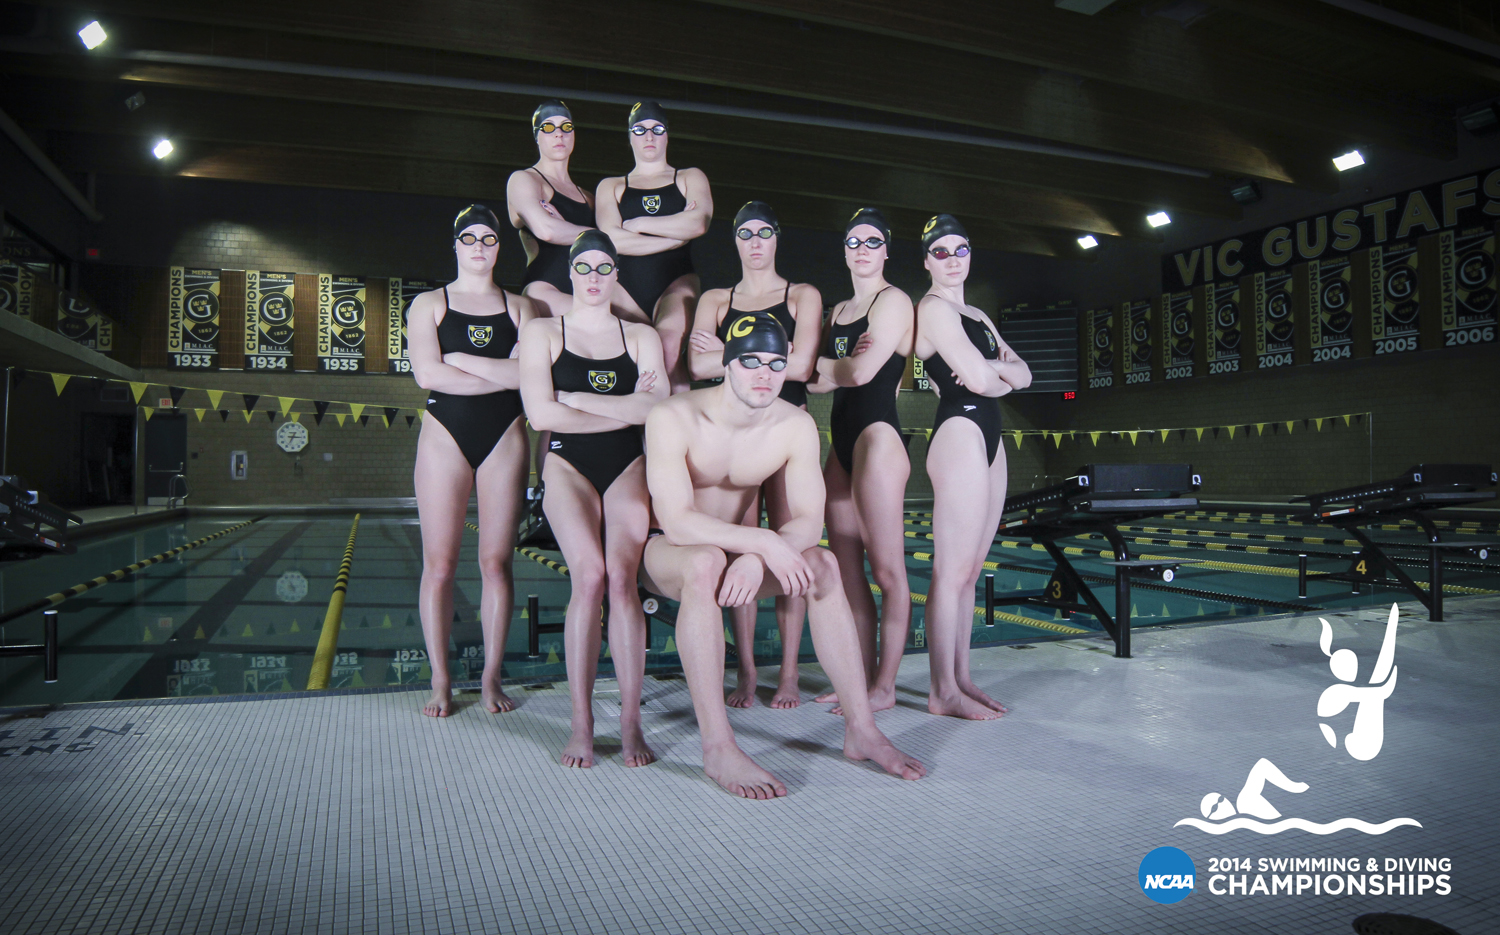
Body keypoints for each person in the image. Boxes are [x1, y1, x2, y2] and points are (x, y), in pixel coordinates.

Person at [641, 315, 926, 798]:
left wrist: (761, 550)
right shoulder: (674, 416)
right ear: (727, 364)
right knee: (705, 560)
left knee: (824, 566)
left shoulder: (794, 425)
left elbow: (808, 522)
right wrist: (762, 542)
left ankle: (861, 728)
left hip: (739, 551)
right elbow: (677, 521)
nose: (763, 374)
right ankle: (718, 747)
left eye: (776, 364)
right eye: (750, 360)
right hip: (669, 554)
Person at [518, 230, 668, 768]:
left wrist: (576, 396)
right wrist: (623, 402)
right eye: (585, 267)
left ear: (616, 274)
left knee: (624, 580)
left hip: (627, 463)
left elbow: (658, 408)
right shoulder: (543, 331)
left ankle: (630, 724)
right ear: (571, 273)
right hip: (567, 464)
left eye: (606, 267)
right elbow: (541, 416)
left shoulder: (639, 336)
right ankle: (582, 726)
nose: (595, 277)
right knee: (590, 577)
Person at [687, 201, 822, 710]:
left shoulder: (801, 294)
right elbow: (694, 367)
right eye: (746, 233)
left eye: (765, 231)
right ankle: (745, 672)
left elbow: (805, 364)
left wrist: (730, 354)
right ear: (736, 241)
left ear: (777, 237)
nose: (756, 241)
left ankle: (787, 674)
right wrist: (767, 361)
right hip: (736, 434)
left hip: (786, 433)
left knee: (791, 552)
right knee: (740, 552)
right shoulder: (717, 298)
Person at [408, 204, 538, 718]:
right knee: (439, 565)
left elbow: (530, 378)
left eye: (489, 238)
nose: (480, 247)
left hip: (504, 434)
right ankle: (441, 680)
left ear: (499, 247)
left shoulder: (522, 307)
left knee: (495, 563)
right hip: (446, 435)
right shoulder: (429, 304)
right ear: (456, 245)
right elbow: (426, 377)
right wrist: (500, 372)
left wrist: (459, 361)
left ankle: (489, 679)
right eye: (471, 238)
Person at [914, 214, 1031, 720]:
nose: (952, 259)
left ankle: (961, 678)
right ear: (926, 262)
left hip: (990, 434)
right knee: (951, 570)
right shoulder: (933, 309)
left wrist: (995, 374)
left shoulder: (979, 315)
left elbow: (1021, 374)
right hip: (958, 431)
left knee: (971, 571)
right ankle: (941, 690)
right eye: (940, 251)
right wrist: (996, 374)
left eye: (960, 249)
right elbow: (985, 380)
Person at [806, 207, 914, 714]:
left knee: (888, 574)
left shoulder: (894, 302)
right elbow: (822, 379)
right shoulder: (840, 311)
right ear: (845, 250)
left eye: (873, 241)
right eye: (854, 241)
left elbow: (858, 373)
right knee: (848, 574)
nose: (864, 248)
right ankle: (858, 678)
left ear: (887, 250)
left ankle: (886, 686)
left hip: (877, 438)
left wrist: (830, 365)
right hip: (840, 446)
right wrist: (833, 366)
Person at [595, 101, 712, 393]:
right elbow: (611, 240)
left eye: (657, 129)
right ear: (630, 136)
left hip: (676, 283)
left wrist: (637, 223)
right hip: (625, 288)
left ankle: (671, 436)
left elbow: (698, 224)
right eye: (640, 129)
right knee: (624, 364)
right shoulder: (611, 185)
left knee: (668, 354)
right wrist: (673, 237)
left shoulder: (688, 177)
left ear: (667, 136)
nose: (649, 136)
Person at [507, 100, 596, 320]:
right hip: (545, 290)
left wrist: (567, 228)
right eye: (548, 127)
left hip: (589, 289)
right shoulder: (525, 180)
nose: (559, 134)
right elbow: (547, 230)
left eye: (566, 127)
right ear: (537, 136)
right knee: (604, 322)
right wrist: (598, 235)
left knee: (642, 329)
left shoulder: (589, 197)